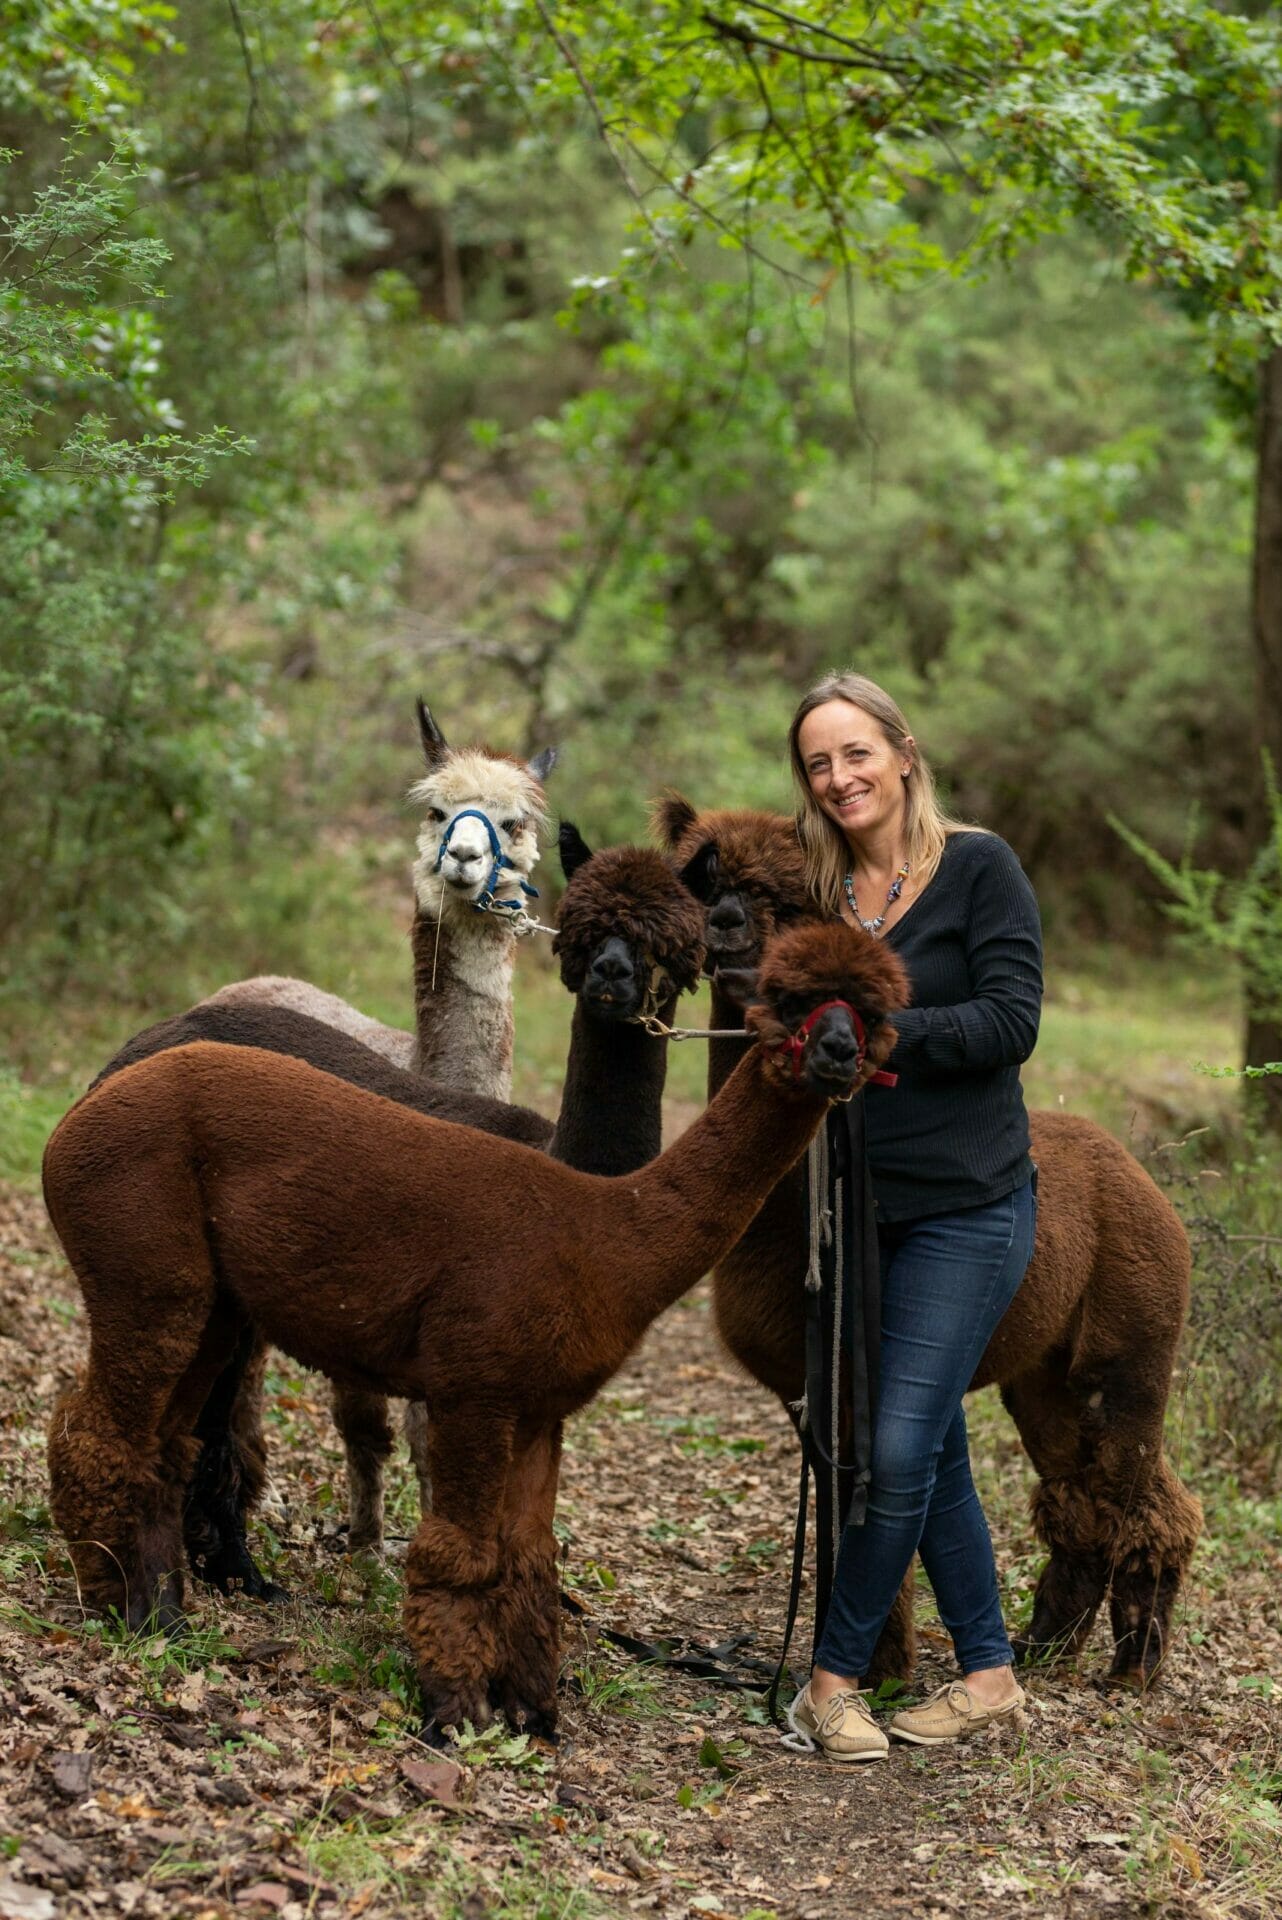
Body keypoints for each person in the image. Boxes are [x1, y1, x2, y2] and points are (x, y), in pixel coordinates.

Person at [783, 670, 1042, 1762]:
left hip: (968, 1207)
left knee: (894, 1453)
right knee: (929, 1448)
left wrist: (879, 1028)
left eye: (854, 753)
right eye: (816, 763)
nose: (838, 777)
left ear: (901, 752)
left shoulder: (978, 867)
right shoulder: (820, 896)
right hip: (857, 1211)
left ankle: (830, 1683)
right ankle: (987, 1675)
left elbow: (1009, 1020)